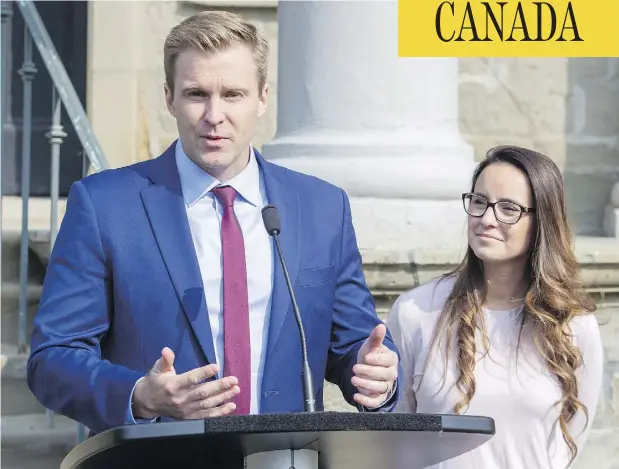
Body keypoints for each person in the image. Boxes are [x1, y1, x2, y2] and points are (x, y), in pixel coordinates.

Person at [27, 10, 400, 435]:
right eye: (196, 94)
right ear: (169, 98)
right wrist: (139, 396)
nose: (214, 115)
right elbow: (52, 358)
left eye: (234, 95)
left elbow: (352, 343)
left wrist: (376, 374)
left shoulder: (321, 207)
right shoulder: (104, 205)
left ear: (263, 97)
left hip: (284, 458)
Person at [386, 145, 603, 469]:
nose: (487, 218)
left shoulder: (572, 324)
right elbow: (393, 436)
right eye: (479, 202)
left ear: (541, 220)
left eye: (508, 208)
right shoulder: (416, 312)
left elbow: (568, 446)